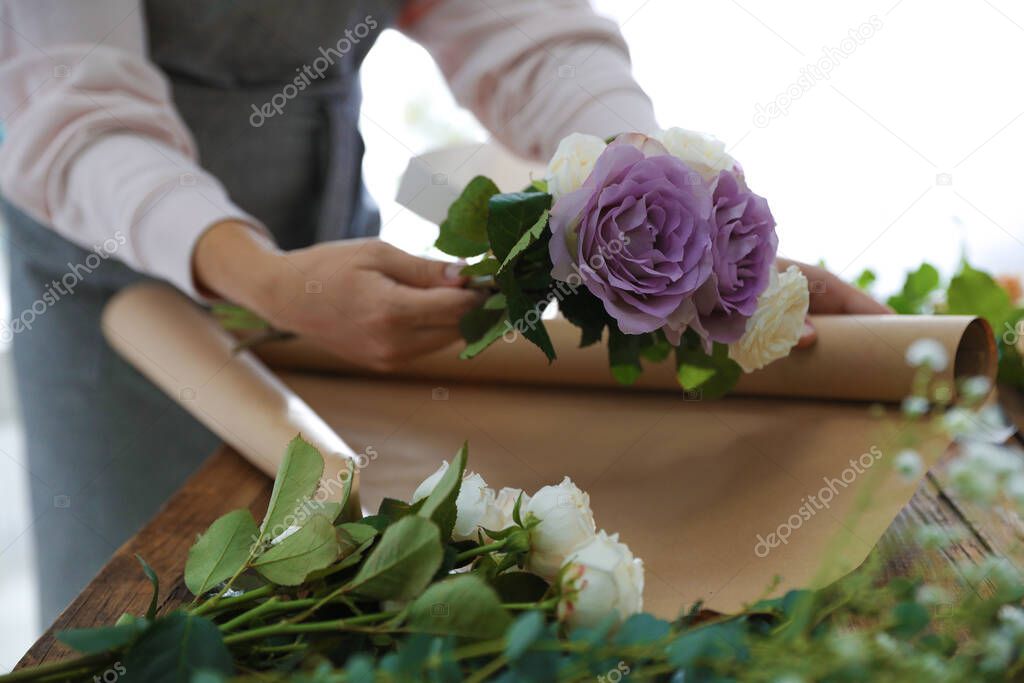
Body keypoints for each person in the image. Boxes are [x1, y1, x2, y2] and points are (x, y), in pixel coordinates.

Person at [0, 0, 887, 625]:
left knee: (336, 582)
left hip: (333, 249)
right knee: (141, 607)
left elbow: (522, 28)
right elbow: (81, 109)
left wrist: (665, 201)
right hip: (108, 267)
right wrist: (263, 277)